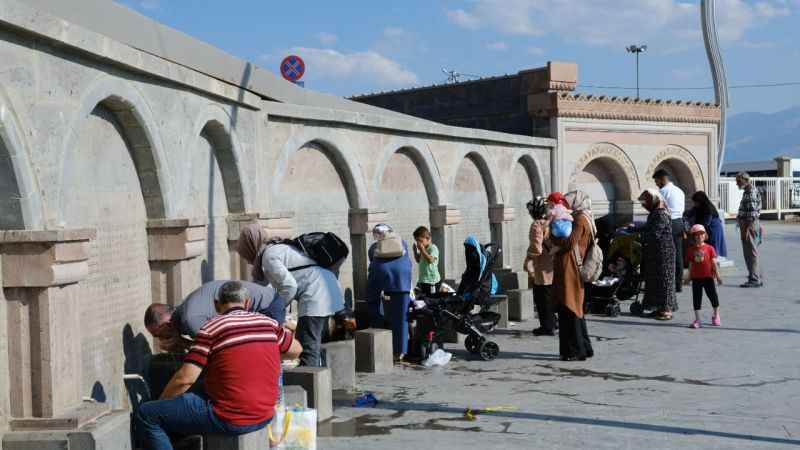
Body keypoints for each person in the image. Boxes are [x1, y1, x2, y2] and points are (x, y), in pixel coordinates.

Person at [135, 281, 301, 450]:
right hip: (265, 415)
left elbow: (184, 379)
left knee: (147, 414)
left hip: (230, 418)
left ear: (216, 304)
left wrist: (163, 403)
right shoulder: (268, 323)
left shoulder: (211, 328)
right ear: (248, 303)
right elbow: (296, 350)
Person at [236, 224, 345, 367]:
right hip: (327, 290)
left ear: (250, 246)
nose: (247, 260)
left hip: (316, 296)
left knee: (307, 348)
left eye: (245, 255)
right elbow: (262, 288)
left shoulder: (269, 256)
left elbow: (289, 286)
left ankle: (311, 388)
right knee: (315, 345)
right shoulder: (276, 248)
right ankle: (324, 385)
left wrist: (277, 308)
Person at [144, 280, 286, 352]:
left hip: (268, 306)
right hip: (268, 300)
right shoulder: (187, 311)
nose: (161, 339)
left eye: (159, 335)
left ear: (167, 325)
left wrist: (180, 342)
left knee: (263, 354)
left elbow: (219, 349)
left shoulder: (190, 320)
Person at [551, 191, 594, 361]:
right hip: (573, 267)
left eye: (569, 202)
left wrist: (554, 236)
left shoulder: (580, 219)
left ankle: (575, 350)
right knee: (575, 307)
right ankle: (584, 346)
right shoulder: (584, 217)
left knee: (569, 307)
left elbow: (570, 242)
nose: (567, 205)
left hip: (571, 269)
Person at [629, 189, 677, 320]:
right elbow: (648, 226)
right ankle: (658, 308)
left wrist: (638, 236)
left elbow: (655, 233)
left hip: (664, 253)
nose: (644, 205)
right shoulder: (655, 213)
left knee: (664, 280)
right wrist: (633, 228)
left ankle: (666, 310)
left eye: (646, 202)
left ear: (654, 200)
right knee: (654, 281)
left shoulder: (661, 214)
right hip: (655, 252)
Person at [367, 225, 413, 361]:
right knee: (402, 319)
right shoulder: (402, 242)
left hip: (383, 276)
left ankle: (377, 333)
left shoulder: (374, 247)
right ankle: (401, 351)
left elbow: (373, 264)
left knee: (372, 301)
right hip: (403, 281)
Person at [523, 196, 556, 336]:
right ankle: (553, 322)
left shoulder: (537, 225)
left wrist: (528, 258)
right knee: (550, 297)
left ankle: (547, 327)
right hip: (552, 265)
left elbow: (537, 248)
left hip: (542, 267)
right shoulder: (551, 222)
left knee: (542, 299)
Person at [653, 169, 686, 293]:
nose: (656, 184)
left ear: (662, 178)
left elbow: (656, 210)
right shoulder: (680, 191)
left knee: (666, 253)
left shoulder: (662, 192)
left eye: (657, 181)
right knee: (678, 254)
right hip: (679, 223)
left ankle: (667, 283)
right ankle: (678, 284)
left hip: (667, 223)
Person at [687, 225, 723, 329]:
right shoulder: (690, 250)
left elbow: (714, 263)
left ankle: (716, 315)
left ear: (705, 235)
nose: (699, 236)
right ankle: (697, 319)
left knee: (713, 297)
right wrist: (688, 277)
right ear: (693, 237)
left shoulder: (710, 248)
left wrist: (718, 276)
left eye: (701, 234)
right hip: (696, 278)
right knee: (696, 299)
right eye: (696, 235)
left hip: (708, 277)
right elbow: (690, 265)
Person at [736, 172, 763, 288]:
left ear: (745, 180)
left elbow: (752, 214)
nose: (737, 183)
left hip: (748, 225)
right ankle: (754, 275)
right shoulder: (749, 191)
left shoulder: (750, 192)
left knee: (750, 252)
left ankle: (754, 278)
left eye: (738, 181)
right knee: (751, 251)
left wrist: (745, 229)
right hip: (749, 225)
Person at [684, 191, 727, 258]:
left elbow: (706, 222)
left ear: (700, 201)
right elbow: (689, 213)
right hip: (706, 230)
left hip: (713, 229)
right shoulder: (698, 207)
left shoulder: (708, 208)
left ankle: (713, 264)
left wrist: (696, 229)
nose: (695, 204)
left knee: (713, 249)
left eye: (696, 202)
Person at [412, 226, 441, 296]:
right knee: (423, 300)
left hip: (431, 281)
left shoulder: (433, 248)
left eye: (420, 241)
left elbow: (430, 260)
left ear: (428, 239)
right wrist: (415, 252)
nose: (419, 244)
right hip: (423, 280)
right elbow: (418, 260)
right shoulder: (424, 249)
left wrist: (422, 250)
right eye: (417, 241)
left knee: (431, 300)